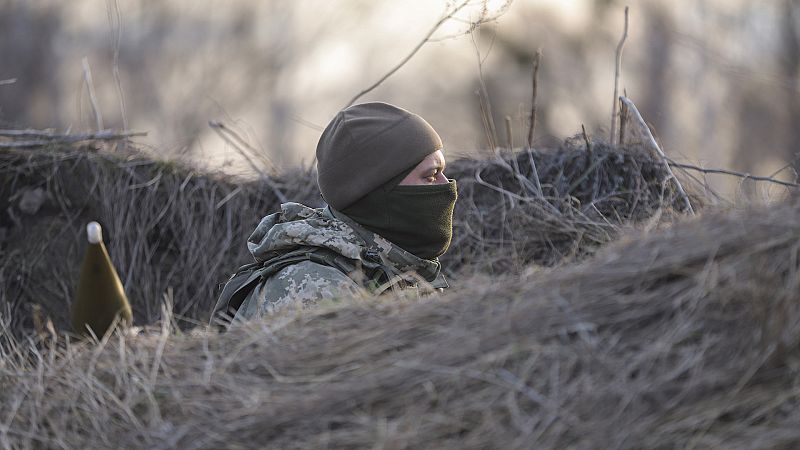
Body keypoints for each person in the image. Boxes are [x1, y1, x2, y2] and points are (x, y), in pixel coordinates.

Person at [211, 102, 457, 324]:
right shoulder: (312, 289)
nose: (446, 184)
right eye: (430, 175)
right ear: (378, 191)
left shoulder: (393, 270)